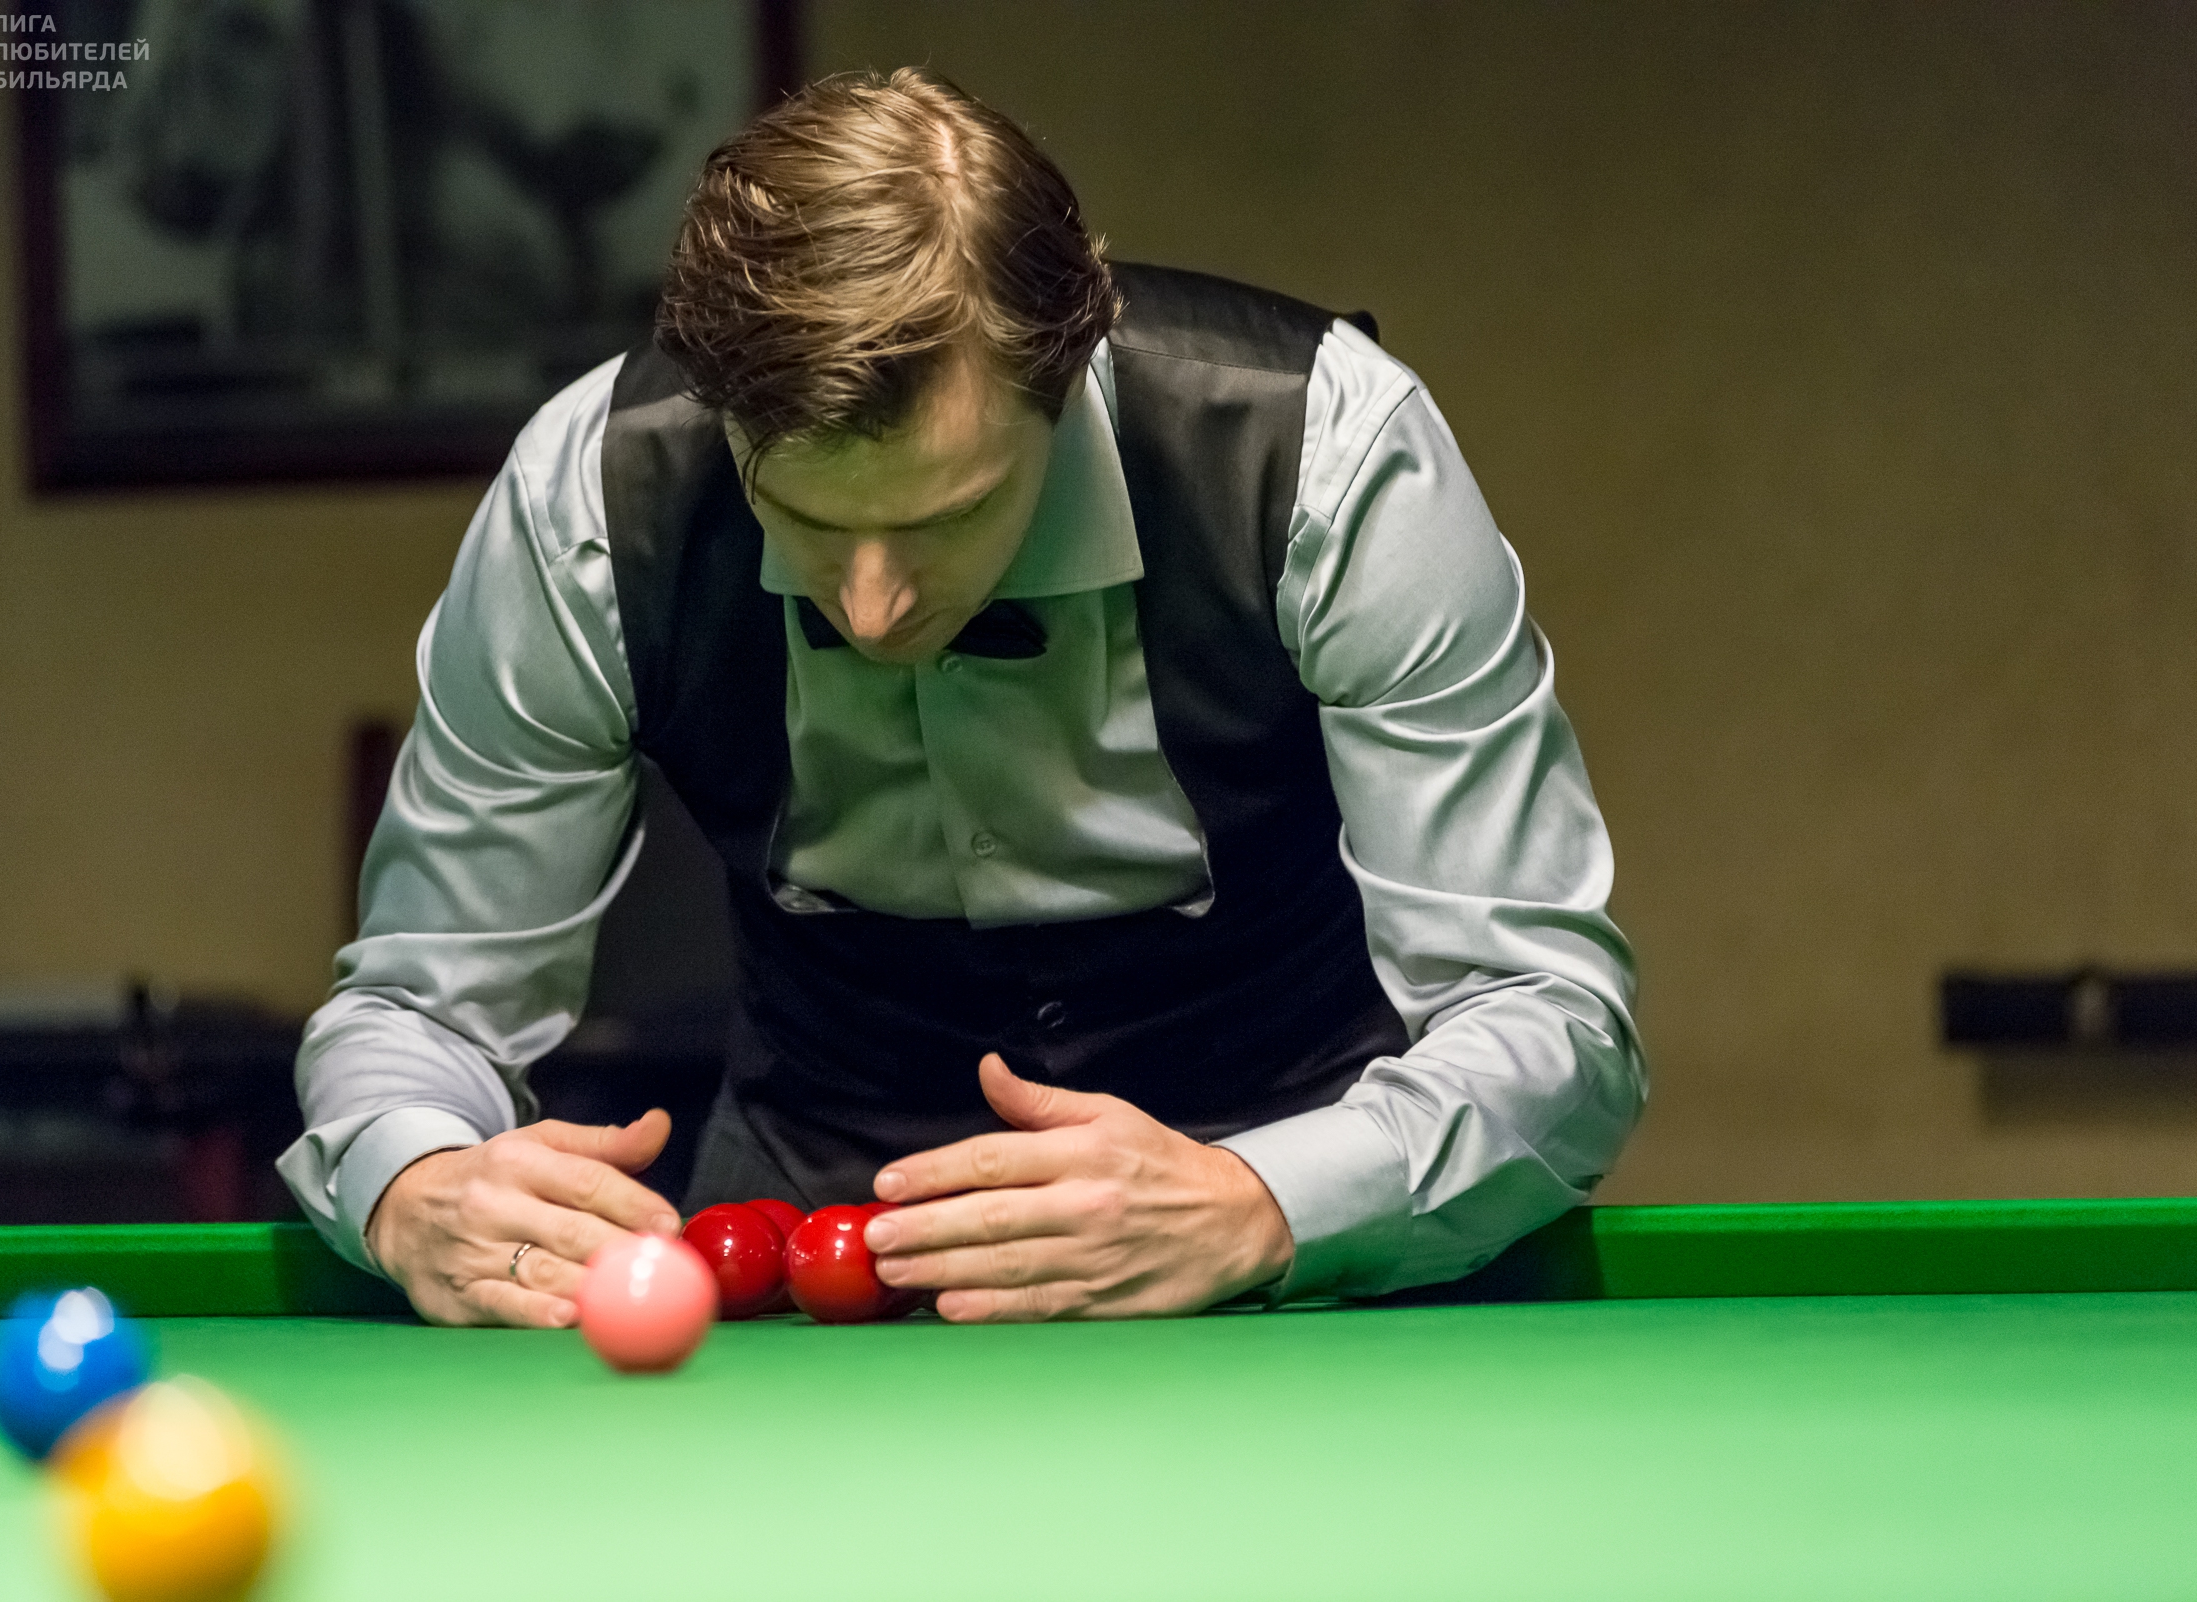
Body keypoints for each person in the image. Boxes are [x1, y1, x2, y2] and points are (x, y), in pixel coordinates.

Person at [277, 68, 1645, 1328]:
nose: (872, 607)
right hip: (810, 1243)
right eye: (807, 522)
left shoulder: (1324, 454)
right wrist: (415, 1179)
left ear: (1070, 377)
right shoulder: (592, 496)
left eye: (949, 514)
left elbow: (1551, 1016)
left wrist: (1266, 1203)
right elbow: (420, 1006)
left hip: (1282, 1209)